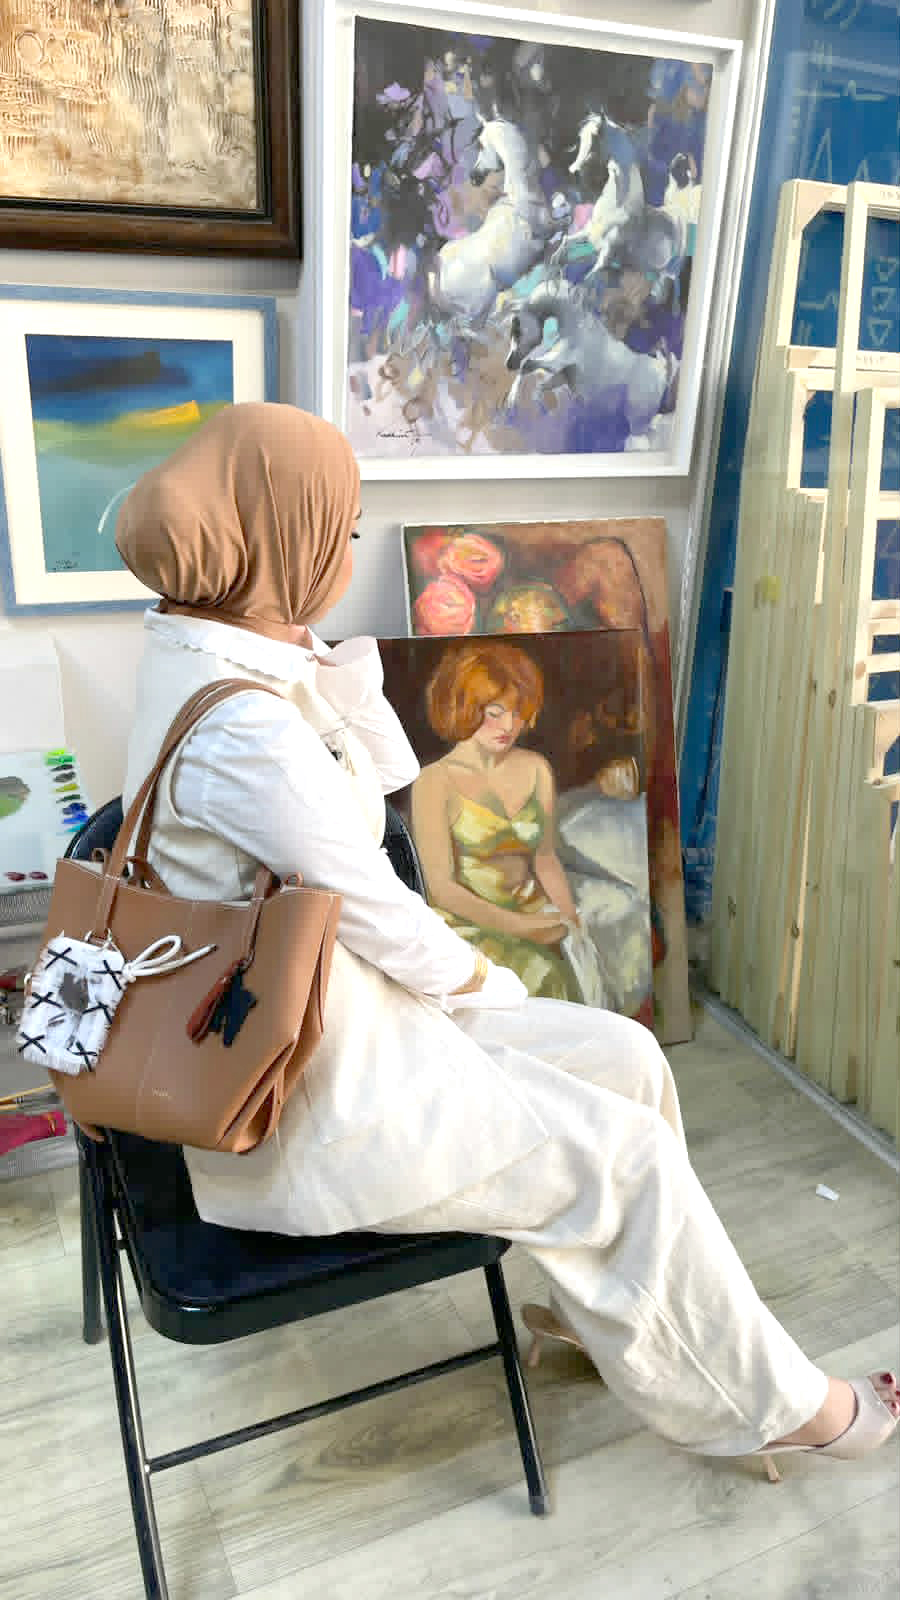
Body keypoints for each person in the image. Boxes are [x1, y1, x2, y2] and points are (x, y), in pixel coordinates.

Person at [115, 401, 898, 1479]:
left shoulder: (212, 651)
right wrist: (490, 983)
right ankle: (785, 1406)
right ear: (282, 536)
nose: (347, 552)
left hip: (346, 1026)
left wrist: (318, 661)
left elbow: (383, 784)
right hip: (303, 1100)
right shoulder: (245, 724)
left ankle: (610, 1316)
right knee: (626, 1158)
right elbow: (375, 897)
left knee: (627, 1059)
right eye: (338, 531)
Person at [411, 641, 581, 1001]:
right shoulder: (434, 781)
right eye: (495, 711)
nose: (509, 725)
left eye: (518, 713)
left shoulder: (536, 768)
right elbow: (441, 888)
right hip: (466, 925)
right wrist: (522, 928)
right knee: (541, 976)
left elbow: (545, 858)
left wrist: (571, 920)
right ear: (463, 708)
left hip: (532, 911)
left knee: (584, 965)